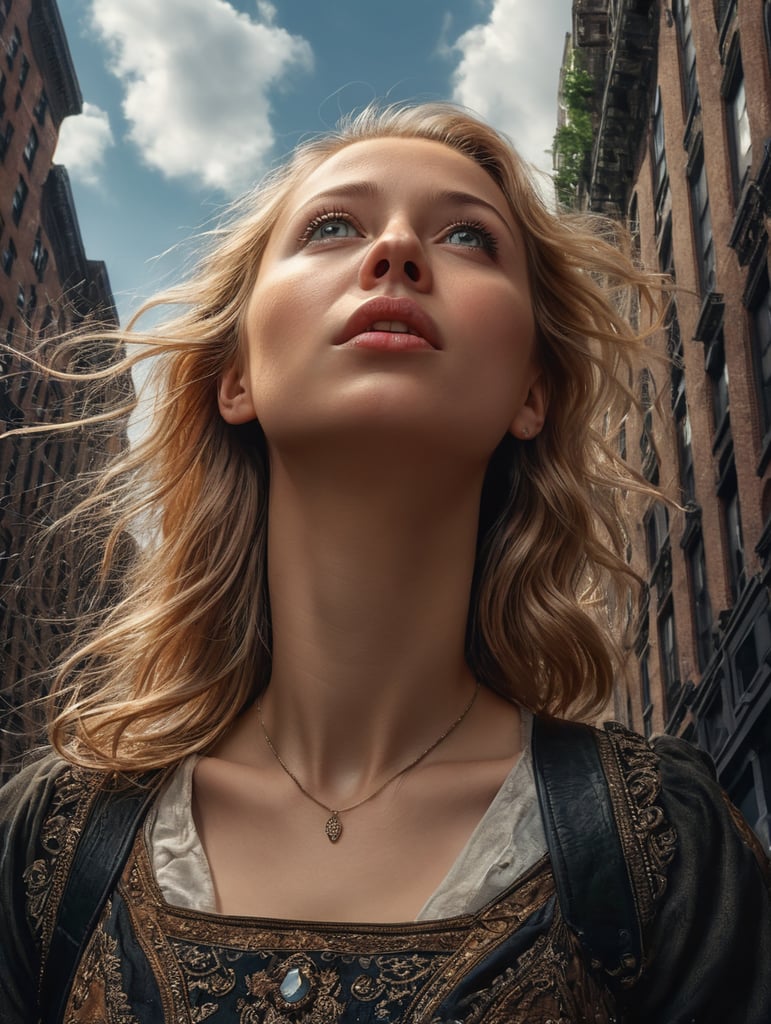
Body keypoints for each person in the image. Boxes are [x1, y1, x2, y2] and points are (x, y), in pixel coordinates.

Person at [1, 102, 769, 1024]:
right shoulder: (56, 842)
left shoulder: (662, 845)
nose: (398, 252)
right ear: (233, 376)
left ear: (532, 392)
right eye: (333, 227)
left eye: (467, 238)